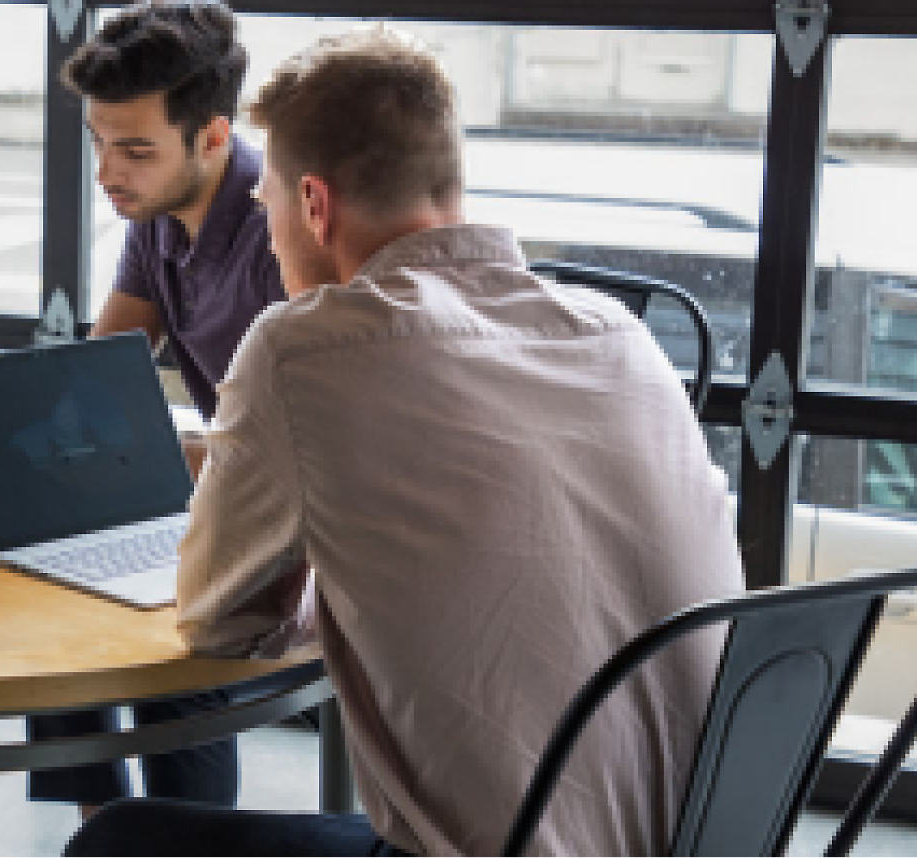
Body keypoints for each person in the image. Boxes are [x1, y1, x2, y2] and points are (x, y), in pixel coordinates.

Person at [64, 27, 744, 858]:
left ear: (313, 205)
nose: (266, 228)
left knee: (120, 841)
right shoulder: (618, 334)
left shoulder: (304, 348)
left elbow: (216, 622)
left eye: (267, 203)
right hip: (705, 838)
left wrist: (341, 581)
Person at [27, 0, 284, 821]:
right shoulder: (161, 216)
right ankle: (105, 825)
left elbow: (298, 456)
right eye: (99, 142)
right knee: (43, 548)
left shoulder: (281, 237)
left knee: (171, 643)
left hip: (291, 518)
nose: (108, 172)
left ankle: (186, 839)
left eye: (135, 149)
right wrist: (25, 437)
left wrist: (157, 459)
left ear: (213, 136)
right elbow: (100, 376)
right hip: (229, 492)